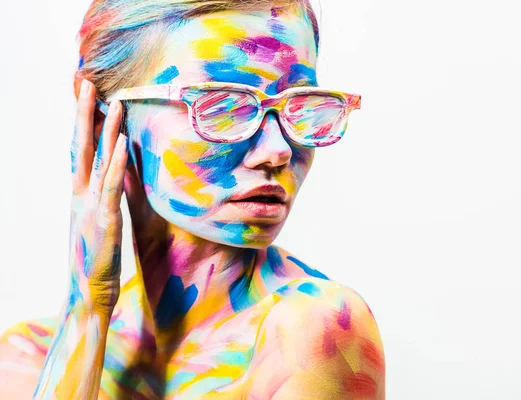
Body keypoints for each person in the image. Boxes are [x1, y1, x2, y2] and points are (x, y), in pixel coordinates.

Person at [0, 0, 385, 398]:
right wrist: (87, 310)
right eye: (223, 105)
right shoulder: (28, 355)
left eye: (301, 105)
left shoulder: (311, 329)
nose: (278, 149)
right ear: (104, 122)